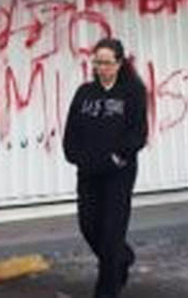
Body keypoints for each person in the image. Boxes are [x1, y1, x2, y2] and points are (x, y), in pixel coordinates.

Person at [63, 37, 148, 298]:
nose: (101, 68)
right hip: (88, 173)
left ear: (119, 63)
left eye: (107, 62)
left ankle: (107, 290)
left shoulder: (132, 92)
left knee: (111, 233)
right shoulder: (84, 92)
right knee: (89, 226)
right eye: (97, 62)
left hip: (118, 174)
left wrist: (117, 156)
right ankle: (122, 257)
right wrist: (75, 156)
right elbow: (71, 130)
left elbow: (138, 133)